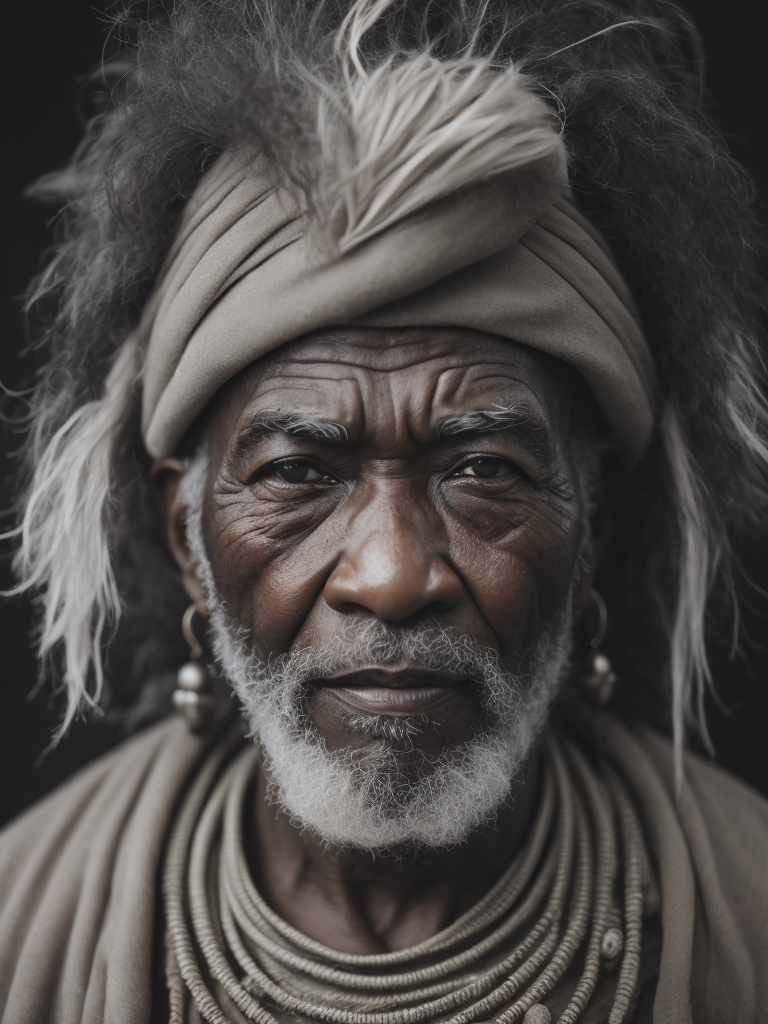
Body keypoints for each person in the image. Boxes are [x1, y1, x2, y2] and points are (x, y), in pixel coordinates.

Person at [1, 0, 767, 1021]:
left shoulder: (746, 929)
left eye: (483, 468)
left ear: (594, 526)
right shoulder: (23, 934)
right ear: (187, 534)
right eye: (296, 474)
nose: (393, 576)